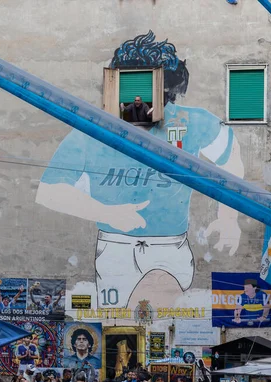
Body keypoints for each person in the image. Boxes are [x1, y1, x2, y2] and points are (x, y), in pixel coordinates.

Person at [36, 30, 244, 309]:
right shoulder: (94, 129)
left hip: (167, 248)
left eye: (145, 90)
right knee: (118, 331)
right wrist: (107, 213)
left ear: (166, 90)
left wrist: (229, 217)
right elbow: (49, 191)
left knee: (154, 316)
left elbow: (230, 155)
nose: (135, 101)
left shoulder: (190, 122)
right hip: (113, 246)